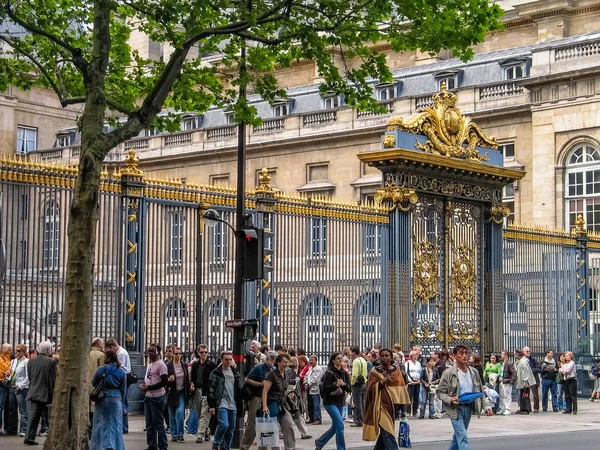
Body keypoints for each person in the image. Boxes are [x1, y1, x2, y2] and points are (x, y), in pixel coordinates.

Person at [437, 345, 492, 450]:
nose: (464, 356)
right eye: (461, 353)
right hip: (456, 409)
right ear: (454, 356)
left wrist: (486, 406)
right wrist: (450, 399)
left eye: (466, 353)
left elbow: (480, 391)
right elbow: (440, 392)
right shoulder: (448, 373)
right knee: (462, 436)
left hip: (469, 407)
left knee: (457, 438)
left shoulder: (474, 372)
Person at [363, 348, 410, 449]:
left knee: (385, 432)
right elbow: (370, 389)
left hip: (393, 408)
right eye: (382, 356)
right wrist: (382, 382)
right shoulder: (375, 371)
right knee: (388, 433)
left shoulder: (397, 371)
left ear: (391, 357)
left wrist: (403, 409)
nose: (384, 358)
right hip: (380, 406)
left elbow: (401, 390)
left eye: (387, 356)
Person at [90, 350, 127, 450]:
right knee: (115, 424)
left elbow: (93, 383)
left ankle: (99, 446)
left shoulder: (101, 369)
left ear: (108, 358)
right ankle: (116, 446)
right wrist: (122, 404)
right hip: (116, 399)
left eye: (105, 356)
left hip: (102, 398)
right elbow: (123, 390)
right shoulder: (121, 371)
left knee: (100, 423)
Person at [240, 350, 277, 450]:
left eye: (275, 360)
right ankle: (245, 446)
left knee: (266, 422)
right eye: (272, 360)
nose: (273, 362)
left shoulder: (274, 370)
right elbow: (247, 379)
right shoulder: (259, 368)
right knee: (252, 422)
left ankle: (264, 445)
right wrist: (259, 384)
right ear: (268, 359)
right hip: (256, 396)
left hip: (268, 398)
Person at [315, 352, 351, 450]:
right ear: (333, 360)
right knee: (340, 424)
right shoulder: (329, 373)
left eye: (341, 359)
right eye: (338, 359)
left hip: (340, 402)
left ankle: (320, 442)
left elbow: (349, 389)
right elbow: (325, 388)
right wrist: (335, 384)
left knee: (335, 426)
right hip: (330, 402)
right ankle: (341, 448)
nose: (340, 361)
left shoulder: (345, 373)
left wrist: (343, 385)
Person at [24, 341, 57, 446]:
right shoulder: (51, 362)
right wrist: (53, 395)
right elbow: (52, 380)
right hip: (46, 393)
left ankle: (28, 437)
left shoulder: (31, 361)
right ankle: (51, 437)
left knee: (33, 417)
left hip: (33, 392)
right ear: (48, 350)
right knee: (48, 418)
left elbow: (30, 377)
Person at [262, 353, 296, 450]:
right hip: (272, 402)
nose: (286, 364)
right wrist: (264, 406)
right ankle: (273, 448)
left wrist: (290, 394)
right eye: (284, 362)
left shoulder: (287, 375)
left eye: (287, 362)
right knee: (272, 428)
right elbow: (265, 391)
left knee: (289, 425)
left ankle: (290, 448)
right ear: (278, 362)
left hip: (283, 403)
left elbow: (287, 388)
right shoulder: (271, 375)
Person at [208, 351, 242, 450]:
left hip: (233, 404)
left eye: (230, 359)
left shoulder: (235, 373)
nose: (228, 361)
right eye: (226, 359)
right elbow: (211, 389)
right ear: (221, 360)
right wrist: (212, 405)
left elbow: (238, 389)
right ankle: (216, 443)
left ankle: (226, 447)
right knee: (223, 424)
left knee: (231, 428)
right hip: (221, 403)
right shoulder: (216, 373)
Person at [140, 343, 169, 450]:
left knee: (158, 424)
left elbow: (164, 381)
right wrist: (145, 386)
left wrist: (149, 387)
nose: (150, 353)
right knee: (149, 424)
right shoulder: (150, 365)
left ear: (157, 352)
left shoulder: (161, 365)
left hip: (157, 397)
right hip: (148, 397)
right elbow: (150, 378)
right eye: (149, 351)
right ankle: (152, 445)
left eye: (152, 351)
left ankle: (163, 446)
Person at [191, 344, 217, 444]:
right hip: (197, 390)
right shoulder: (195, 365)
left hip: (207, 391)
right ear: (198, 353)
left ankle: (200, 434)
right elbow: (193, 378)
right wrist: (192, 384)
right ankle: (207, 430)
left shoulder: (212, 365)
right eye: (202, 352)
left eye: (206, 352)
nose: (204, 354)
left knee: (204, 413)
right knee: (199, 412)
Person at [105, 338, 132, 433]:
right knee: (122, 401)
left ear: (112, 347)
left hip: (123, 378)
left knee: (123, 402)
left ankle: (123, 427)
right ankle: (123, 426)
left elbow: (120, 368)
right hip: (123, 378)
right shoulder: (121, 352)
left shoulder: (121, 354)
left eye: (109, 349)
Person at [166, 346, 189, 442]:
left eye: (179, 353)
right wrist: (168, 380)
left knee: (180, 412)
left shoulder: (184, 366)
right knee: (171, 414)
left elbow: (187, 378)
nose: (178, 355)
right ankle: (174, 434)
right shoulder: (168, 366)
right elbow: (163, 380)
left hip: (181, 392)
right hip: (171, 391)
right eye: (176, 353)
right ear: (173, 354)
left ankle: (180, 434)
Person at [8, 344, 29, 437]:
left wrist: (20, 386)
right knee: (12, 409)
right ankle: (12, 429)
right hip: (12, 387)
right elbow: (11, 373)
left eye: (19, 351)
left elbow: (28, 377)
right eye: (16, 350)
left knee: (23, 410)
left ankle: (23, 430)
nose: (16, 352)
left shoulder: (26, 362)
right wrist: (8, 374)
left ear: (23, 352)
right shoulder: (13, 361)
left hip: (21, 388)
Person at [88, 337, 105, 430]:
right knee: (95, 408)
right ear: (98, 344)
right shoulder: (101, 355)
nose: (103, 345)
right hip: (96, 385)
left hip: (87, 383)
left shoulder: (88, 354)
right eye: (102, 343)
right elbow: (102, 371)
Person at [350, 346, 368, 427]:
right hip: (364, 382)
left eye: (350, 352)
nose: (350, 353)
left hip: (357, 384)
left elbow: (354, 375)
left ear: (353, 352)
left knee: (357, 403)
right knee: (363, 403)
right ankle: (364, 419)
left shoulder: (356, 361)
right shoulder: (363, 360)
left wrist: (352, 383)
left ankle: (359, 421)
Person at [515, 349, 536, 415]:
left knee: (525, 395)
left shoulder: (523, 362)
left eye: (515, 354)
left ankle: (526, 409)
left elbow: (525, 372)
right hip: (522, 382)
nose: (514, 356)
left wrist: (525, 380)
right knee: (522, 395)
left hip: (524, 383)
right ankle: (522, 408)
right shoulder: (521, 361)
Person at [306, 355, 324, 424]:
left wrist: (308, 383)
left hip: (315, 389)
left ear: (316, 361)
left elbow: (316, 379)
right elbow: (306, 376)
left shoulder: (318, 369)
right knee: (310, 405)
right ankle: (312, 418)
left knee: (316, 405)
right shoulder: (310, 369)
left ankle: (318, 419)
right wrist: (305, 382)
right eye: (310, 360)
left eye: (312, 360)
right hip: (309, 389)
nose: (311, 361)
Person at [497, 350, 516, 415]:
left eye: (502, 354)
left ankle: (508, 409)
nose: (501, 356)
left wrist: (512, 381)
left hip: (507, 382)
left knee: (507, 396)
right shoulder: (503, 363)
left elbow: (514, 373)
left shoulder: (509, 363)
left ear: (506, 355)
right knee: (502, 396)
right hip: (503, 381)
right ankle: (502, 408)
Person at [523, 346, 541, 413]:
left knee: (535, 394)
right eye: (527, 351)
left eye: (529, 351)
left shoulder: (533, 360)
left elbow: (539, 369)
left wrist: (531, 370)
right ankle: (528, 408)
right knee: (526, 394)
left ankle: (536, 408)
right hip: (526, 380)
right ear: (523, 352)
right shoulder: (522, 360)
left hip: (533, 379)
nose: (528, 353)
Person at [0, 343, 13, 435]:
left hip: (7, 385)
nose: (11, 352)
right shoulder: (1, 359)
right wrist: (8, 371)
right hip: (2, 384)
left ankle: (8, 427)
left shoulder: (10, 359)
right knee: (0, 407)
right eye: (10, 350)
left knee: (7, 407)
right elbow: (8, 370)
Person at [404, 351, 421, 417]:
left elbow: (420, 372)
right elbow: (406, 372)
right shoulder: (407, 363)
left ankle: (415, 411)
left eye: (416, 355)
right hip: (411, 382)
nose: (415, 356)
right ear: (411, 356)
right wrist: (410, 380)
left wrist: (419, 379)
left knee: (416, 397)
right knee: (409, 397)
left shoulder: (418, 363)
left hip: (417, 381)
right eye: (414, 355)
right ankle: (408, 411)